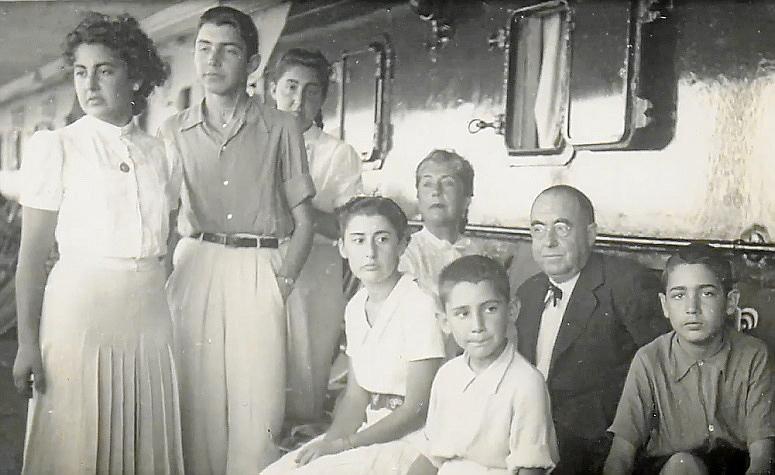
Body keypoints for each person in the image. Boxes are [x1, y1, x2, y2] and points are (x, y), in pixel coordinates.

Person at [12, 12, 182, 473]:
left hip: (148, 316)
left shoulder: (162, 153)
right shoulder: (57, 147)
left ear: (135, 77)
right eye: (80, 72)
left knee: (142, 438)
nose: (89, 84)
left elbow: (167, 241)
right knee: (77, 443)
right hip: (79, 314)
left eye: (104, 71)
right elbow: (31, 259)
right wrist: (27, 343)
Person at [158, 6, 315, 473]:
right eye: (204, 48)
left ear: (252, 63)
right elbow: (163, 219)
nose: (213, 60)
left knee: (258, 403)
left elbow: (305, 221)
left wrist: (281, 282)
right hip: (195, 263)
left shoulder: (281, 127)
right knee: (195, 400)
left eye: (228, 51)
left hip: (259, 265)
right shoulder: (173, 130)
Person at [261, 196, 446, 475]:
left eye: (382, 239)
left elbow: (416, 409)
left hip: (412, 439)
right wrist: (331, 444)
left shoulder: (420, 303)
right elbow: (355, 398)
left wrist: (345, 446)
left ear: (402, 244)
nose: (370, 252)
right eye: (358, 240)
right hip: (368, 431)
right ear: (343, 248)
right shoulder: (356, 307)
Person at [515, 185, 669, 474]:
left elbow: (662, 373)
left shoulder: (628, 284)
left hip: (595, 442)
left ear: (590, 234)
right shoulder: (528, 291)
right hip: (532, 432)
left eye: (561, 228)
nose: (548, 241)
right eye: (538, 229)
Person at [604, 243, 775, 475]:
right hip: (671, 468)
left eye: (706, 293)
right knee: (683, 464)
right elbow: (621, 455)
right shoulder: (649, 359)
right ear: (665, 305)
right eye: (679, 295)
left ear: (731, 302)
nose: (691, 308)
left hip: (736, 467)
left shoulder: (754, 356)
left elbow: (762, 457)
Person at [268, 48, 363, 423]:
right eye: (290, 87)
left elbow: (348, 226)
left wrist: (298, 209)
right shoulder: (253, 145)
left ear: (322, 99)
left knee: (304, 378)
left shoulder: (338, 154)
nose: (298, 100)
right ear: (273, 89)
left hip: (314, 273)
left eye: (311, 92)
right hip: (260, 265)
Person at [408, 255, 558, 475]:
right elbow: (432, 455)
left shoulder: (526, 383)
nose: (477, 326)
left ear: (512, 310)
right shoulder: (447, 375)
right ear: (445, 322)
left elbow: (530, 468)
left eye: (490, 309)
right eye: (463, 314)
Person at [399, 149, 479, 299]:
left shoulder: (476, 253)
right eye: (427, 184)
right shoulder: (405, 254)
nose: (436, 191)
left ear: (466, 200)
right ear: (418, 198)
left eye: (448, 183)